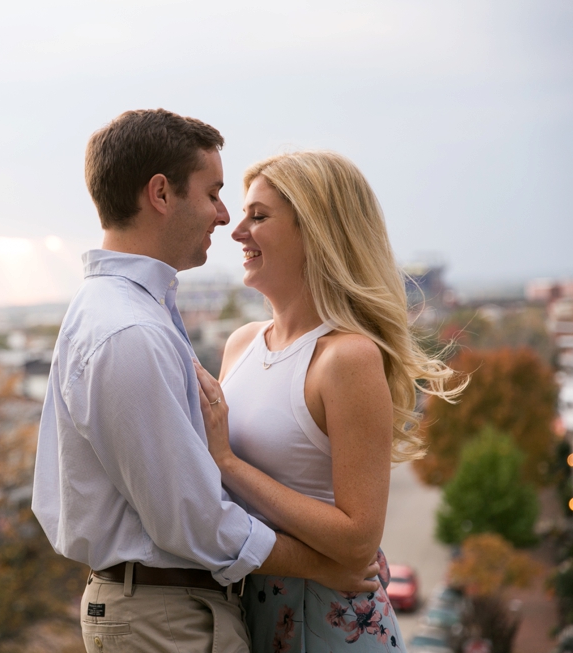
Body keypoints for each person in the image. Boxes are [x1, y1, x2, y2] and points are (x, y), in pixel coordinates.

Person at [32, 112, 380, 653]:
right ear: (161, 194)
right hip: (167, 613)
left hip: (200, 608)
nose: (225, 219)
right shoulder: (130, 330)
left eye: (253, 214)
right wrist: (321, 566)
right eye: (215, 193)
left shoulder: (137, 314)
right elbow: (195, 520)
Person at [194, 151, 465, 652]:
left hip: (325, 621)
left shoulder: (346, 357)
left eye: (259, 216)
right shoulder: (241, 344)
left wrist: (227, 463)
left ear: (315, 230)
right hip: (248, 612)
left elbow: (357, 540)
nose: (237, 231)